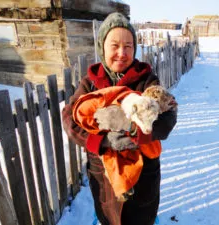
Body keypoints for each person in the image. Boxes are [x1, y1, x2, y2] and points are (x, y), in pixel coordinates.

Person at [62, 12, 177, 225]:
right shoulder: (90, 84)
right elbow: (70, 119)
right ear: (102, 47)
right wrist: (103, 141)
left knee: (141, 218)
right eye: (114, 45)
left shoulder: (146, 80)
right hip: (104, 175)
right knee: (109, 218)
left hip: (143, 176)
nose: (121, 53)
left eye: (128, 46)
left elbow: (167, 118)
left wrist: (134, 131)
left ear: (135, 48)